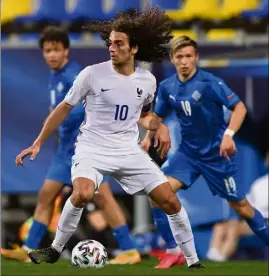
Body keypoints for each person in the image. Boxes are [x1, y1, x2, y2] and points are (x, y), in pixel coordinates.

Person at [15, 8, 203, 269]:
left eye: (119, 44)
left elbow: (145, 115)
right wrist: (38, 142)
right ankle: (55, 249)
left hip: (128, 150)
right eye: (110, 43)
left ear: (134, 48)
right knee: (82, 194)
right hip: (92, 148)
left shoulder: (147, 80)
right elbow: (63, 108)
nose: (112, 48)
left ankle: (193, 261)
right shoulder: (92, 74)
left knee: (169, 199)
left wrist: (159, 126)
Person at [1, 26, 141, 265]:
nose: (52, 55)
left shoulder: (75, 75)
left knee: (103, 196)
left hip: (87, 149)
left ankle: (130, 251)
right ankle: (29, 249)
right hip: (65, 151)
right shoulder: (54, 77)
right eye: (47, 50)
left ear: (66, 51)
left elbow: (84, 110)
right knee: (46, 196)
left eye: (56, 50)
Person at [141, 35, 269, 268]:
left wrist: (229, 135)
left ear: (196, 58)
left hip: (214, 155)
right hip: (188, 155)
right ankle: (173, 250)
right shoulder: (168, 86)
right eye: (179, 56)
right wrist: (149, 137)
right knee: (157, 193)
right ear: (172, 59)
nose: (184, 61)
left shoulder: (210, 83)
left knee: (241, 207)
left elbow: (238, 107)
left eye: (189, 56)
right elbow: (157, 116)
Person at [207, 151, 269, 261]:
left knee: (234, 228)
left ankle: (221, 259)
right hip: (254, 220)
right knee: (220, 225)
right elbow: (247, 204)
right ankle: (213, 256)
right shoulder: (259, 183)